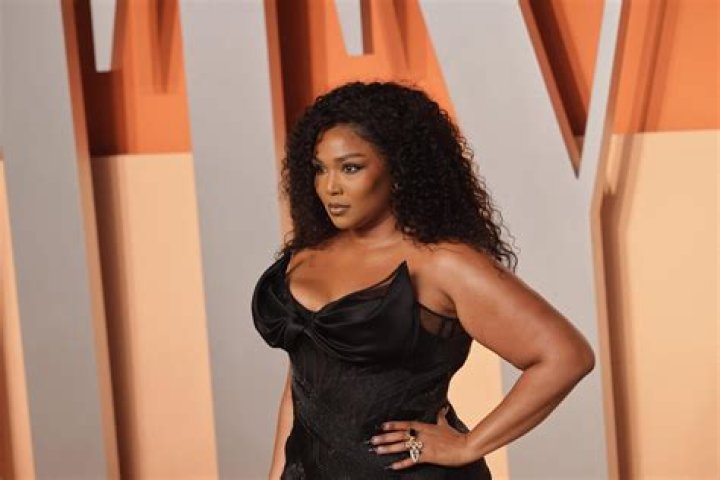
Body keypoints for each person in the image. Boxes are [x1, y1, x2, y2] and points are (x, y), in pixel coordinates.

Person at [251, 81, 595, 479]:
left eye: (350, 167)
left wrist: (468, 445)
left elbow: (566, 356)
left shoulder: (443, 264)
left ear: (399, 170)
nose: (330, 187)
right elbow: (303, 383)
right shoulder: (307, 255)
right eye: (319, 168)